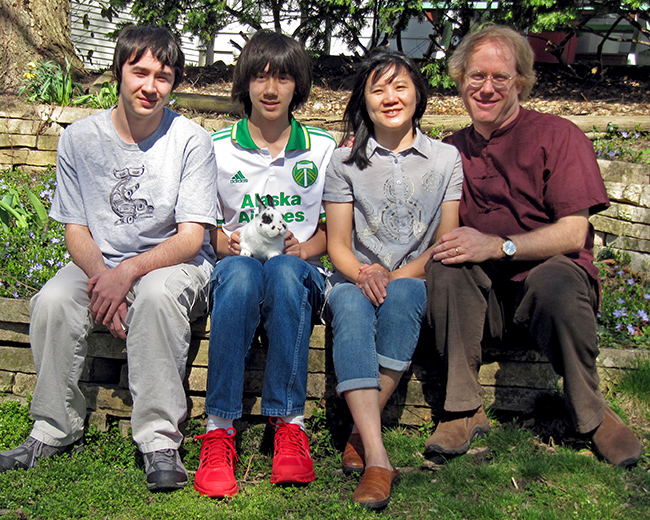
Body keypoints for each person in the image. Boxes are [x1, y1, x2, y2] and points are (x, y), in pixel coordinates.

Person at [0, 26, 218, 490]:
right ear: (118, 72)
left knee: (157, 298)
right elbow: (75, 232)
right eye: (140, 72)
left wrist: (128, 276)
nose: (150, 86)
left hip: (172, 264)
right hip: (102, 264)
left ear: (173, 82)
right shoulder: (80, 138)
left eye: (163, 76)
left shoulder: (191, 140)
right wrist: (107, 280)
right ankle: (53, 429)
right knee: (53, 301)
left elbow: (191, 237)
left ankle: (159, 441)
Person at [425, 25, 642, 468]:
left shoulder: (557, 136)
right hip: (483, 306)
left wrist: (498, 246)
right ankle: (462, 409)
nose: (486, 88)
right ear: (460, 79)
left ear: (520, 81)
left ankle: (592, 413)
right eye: (476, 76)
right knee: (448, 265)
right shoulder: (448, 151)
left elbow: (572, 234)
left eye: (500, 78)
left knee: (557, 278)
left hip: (546, 292)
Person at [193, 30, 336, 498]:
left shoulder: (322, 149)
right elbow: (197, 219)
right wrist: (220, 240)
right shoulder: (214, 146)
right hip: (237, 265)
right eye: (260, 76)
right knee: (239, 274)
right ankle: (219, 429)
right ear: (245, 84)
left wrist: (306, 249)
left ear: (299, 85)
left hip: (298, 270)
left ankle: (289, 425)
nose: (271, 89)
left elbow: (336, 229)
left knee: (283, 270)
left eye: (283, 77)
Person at [323, 47, 463, 509]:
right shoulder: (344, 163)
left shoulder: (445, 160)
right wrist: (364, 273)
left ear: (417, 94)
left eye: (399, 86)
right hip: (353, 278)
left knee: (404, 293)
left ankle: (360, 435)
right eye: (377, 88)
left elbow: (443, 242)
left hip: (410, 279)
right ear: (363, 101)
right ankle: (379, 457)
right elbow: (337, 243)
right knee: (345, 304)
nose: (389, 97)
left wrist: (392, 276)